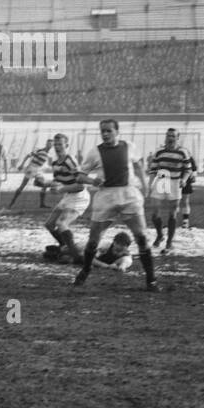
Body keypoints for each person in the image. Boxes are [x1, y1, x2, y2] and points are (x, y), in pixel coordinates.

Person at [72, 119, 157, 291]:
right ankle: (86, 269)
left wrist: (145, 185)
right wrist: (92, 180)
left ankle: (151, 279)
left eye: (108, 131)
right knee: (93, 242)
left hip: (128, 195)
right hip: (106, 198)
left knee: (141, 237)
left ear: (117, 132)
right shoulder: (95, 152)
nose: (105, 134)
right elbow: (80, 176)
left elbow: (139, 165)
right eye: (102, 131)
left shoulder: (129, 147)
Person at [38, 133, 88, 262]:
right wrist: (43, 183)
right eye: (55, 144)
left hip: (79, 197)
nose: (57, 147)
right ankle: (66, 247)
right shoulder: (55, 163)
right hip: (68, 196)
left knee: (62, 223)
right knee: (49, 224)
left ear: (66, 145)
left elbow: (80, 186)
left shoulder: (70, 161)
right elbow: (58, 181)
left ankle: (77, 257)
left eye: (60, 144)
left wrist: (61, 189)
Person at [146, 128, 191, 254]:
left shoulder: (183, 152)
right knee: (155, 212)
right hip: (161, 181)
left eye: (173, 136)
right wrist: (150, 183)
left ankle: (169, 242)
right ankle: (160, 235)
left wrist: (184, 179)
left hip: (175, 183)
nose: (170, 138)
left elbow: (188, 169)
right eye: (168, 135)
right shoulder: (159, 151)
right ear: (165, 137)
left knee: (172, 214)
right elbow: (153, 169)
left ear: (177, 138)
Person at [8, 138, 54, 209]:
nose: (49, 145)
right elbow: (28, 156)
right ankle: (11, 203)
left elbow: (44, 164)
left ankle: (42, 204)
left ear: (52, 146)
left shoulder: (48, 154)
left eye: (51, 144)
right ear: (46, 144)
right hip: (31, 168)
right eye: (48, 143)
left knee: (44, 185)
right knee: (22, 186)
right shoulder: (39, 150)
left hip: (38, 170)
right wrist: (22, 165)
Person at [178, 148, 198, 230]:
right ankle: (172, 220)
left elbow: (194, 169)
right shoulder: (175, 156)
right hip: (174, 180)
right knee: (173, 201)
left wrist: (194, 176)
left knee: (185, 200)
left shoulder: (189, 157)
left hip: (186, 181)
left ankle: (185, 221)